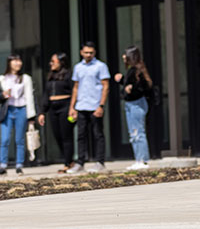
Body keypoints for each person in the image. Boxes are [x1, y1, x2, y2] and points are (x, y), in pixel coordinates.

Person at [67, 42, 110, 173]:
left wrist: (101, 106)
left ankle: (100, 162)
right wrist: (72, 107)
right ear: (81, 52)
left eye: (91, 52)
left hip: (95, 105)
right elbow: (75, 88)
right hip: (81, 106)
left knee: (98, 134)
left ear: (94, 52)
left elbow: (106, 86)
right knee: (80, 135)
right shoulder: (78, 67)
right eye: (86, 52)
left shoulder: (100, 66)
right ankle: (80, 162)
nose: (88, 55)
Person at [114, 46, 152, 170]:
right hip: (130, 104)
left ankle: (143, 160)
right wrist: (122, 81)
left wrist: (132, 88)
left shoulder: (139, 69)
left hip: (137, 103)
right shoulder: (131, 69)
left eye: (126, 54)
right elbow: (129, 84)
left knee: (138, 132)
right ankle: (138, 159)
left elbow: (145, 85)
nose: (123, 57)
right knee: (133, 133)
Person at [37, 53, 75, 173]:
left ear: (61, 62)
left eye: (53, 61)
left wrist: (73, 108)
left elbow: (75, 91)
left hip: (65, 106)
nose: (51, 63)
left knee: (66, 136)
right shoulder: (51, 76)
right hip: (53, 108)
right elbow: (46, 95)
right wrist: (42, 112)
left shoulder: (69, 75)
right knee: (57, 135)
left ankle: (68, 163)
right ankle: (68, 160)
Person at [0, 54, 36, 175]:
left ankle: (19, 164)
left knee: (19, 139)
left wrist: (31, 116)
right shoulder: (2, 78)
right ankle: (2, 165)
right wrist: (3, 95)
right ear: (9, 62)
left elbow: (30, 97)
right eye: (15, 60)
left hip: (21, 110)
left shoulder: (25, 78)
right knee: (4, 139)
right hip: (8, 110)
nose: (17, 63)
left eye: (19, 60)